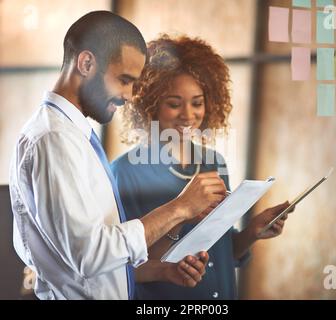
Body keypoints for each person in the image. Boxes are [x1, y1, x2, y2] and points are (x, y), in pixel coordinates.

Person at [9, 12, 227, 300]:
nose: (129, 96)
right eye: (124, 80)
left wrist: (162, 270)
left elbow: (103, 255)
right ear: (86, 63)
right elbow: (90, 255)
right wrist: (180, 208)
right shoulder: (54, 138)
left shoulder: (74, 136)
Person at [111, 35, 292, 300]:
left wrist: (251, 233)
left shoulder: (214, 162)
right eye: (174, 104)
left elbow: (222, 253)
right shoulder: (125, 173)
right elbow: (124, 266)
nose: (188, 114)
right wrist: (182, 213)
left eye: (197, 102)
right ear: (150, 105)